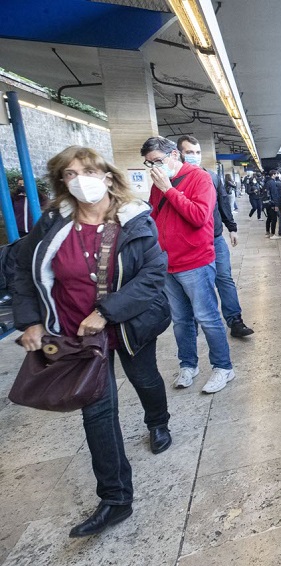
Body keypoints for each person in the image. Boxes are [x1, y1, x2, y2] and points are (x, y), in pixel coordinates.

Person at [13, 146, 173, 538]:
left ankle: (158, 422)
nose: (80, 178)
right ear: (62, 182)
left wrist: (106, 312)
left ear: (106, 175)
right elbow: (21, 269)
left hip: (129, 327)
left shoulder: (134, 220)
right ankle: (116, 499)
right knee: (97, 413)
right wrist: (30, 320)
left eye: (87, 170)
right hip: (77, 338)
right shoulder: (52, 223)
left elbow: (152, 276)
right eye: (70, 173)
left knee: (145, 380)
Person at [141, 136, 235, 393]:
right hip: (166, 262)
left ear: (174, 155)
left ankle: (223, 367)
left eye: (158, 161)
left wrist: (170, 191)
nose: (155, 168)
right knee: (181, 319)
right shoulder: (159, 182)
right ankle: (188, 364)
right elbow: (154, 215)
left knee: (207, 317)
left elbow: (198, 216)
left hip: (195, 261)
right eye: (149, 164)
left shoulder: (200, 178)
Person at [176, 136, 253, 337]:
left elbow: (223, 203)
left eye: (198, 152)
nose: (195, 156)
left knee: (224, 278)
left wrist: (232, 227)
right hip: (189, 241)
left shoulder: (212, 177)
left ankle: (235, 320)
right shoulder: (172, 181)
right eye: (189, 152)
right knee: (197, 285)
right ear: (178, 154)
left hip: (215, 238)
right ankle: (195, 322)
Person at [264, 170, 280, 237]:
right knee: (274, 219)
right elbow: (274, 194)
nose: (277, 175)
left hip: (267, 203)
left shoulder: (267, 182)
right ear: (273, 174)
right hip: (272, 204)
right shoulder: (272, 183)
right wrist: (276, 205)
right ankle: (273, 234)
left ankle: (267, 232)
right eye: (276, 174)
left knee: (269, 218)